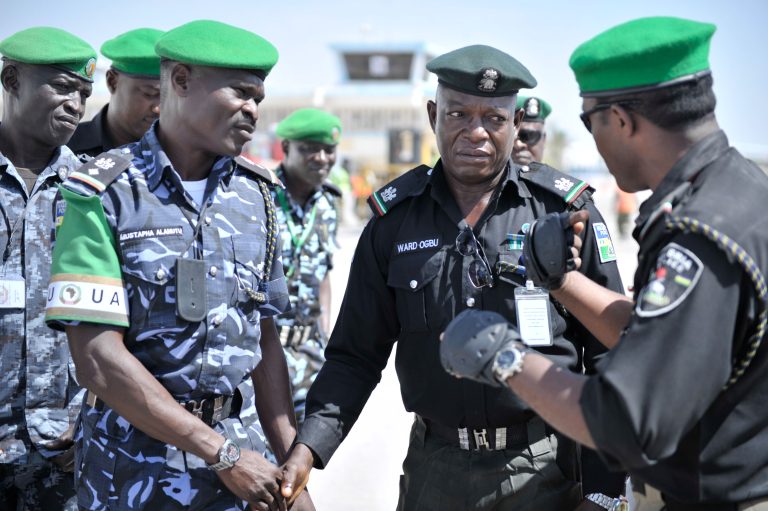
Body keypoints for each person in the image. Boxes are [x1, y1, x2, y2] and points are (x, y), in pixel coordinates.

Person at [440, 16, 768, 511]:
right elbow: (661, 337)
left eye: (588, 121)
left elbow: (623, 423)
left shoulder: (698, 237)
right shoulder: (740, 192)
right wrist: (562, 281)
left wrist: (504, 358)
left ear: (621, 120)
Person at [280, 44, 625, 510]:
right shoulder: (393, 222)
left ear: (517, 122)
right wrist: (308, 448)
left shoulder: (564, 213)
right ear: (432, 114)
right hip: (435, 472)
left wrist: (605, 491)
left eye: (494, 119)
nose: (476, 132)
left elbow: (610, 355)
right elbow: (354, 357)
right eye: (459, 113)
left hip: (547, 469)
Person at [45, 20, 312, 511]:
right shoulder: (100, 195)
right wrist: (221, 455)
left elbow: (264, 340)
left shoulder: (258, 197)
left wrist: (292, 474)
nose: (253, 109)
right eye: (240, 92)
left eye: (259, 96)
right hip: (131, 470)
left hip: (242, 471)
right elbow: (97, 360)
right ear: (182, 80)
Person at [0, 27, 96, 511]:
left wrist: (89, 418)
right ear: (11, 78)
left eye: (83, 93)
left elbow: (116, 322)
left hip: (60, 449)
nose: (75, 105)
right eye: (62, 87)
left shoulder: (92, 194)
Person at [271, 108, 341, 426]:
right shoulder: (259, 198)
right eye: (310, 149)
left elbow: (323, 272)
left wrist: (324, 331)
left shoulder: (328, 204)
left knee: (302, 462)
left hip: (311, 358)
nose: (322, 158)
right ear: (285, 148)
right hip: (265, 357)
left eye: (329, 150)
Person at [68, 28, 163, 158]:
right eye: (149, 93)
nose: (158, 109)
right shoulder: (65, 150)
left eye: (169, 96)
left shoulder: (183, 156)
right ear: (112, 82)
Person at [511, 95, 551, 165]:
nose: (519, 144)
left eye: (529, 136)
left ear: (544, 140)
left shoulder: (555, 176)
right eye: (512, 136)